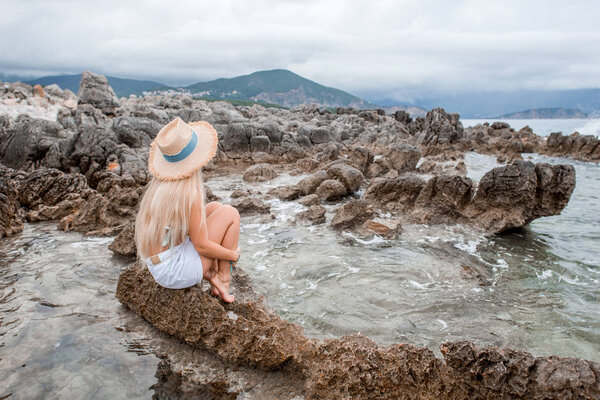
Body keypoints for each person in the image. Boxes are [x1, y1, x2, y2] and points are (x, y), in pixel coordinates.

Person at [135, 117, 240, 303]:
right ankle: (223, 278)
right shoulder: (190, 194)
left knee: (214, 208)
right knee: (230, 214)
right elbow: (201, 245)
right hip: (175, 272)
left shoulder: (161, 189)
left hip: (162, 266)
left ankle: (213, 272)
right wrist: (233, 255)